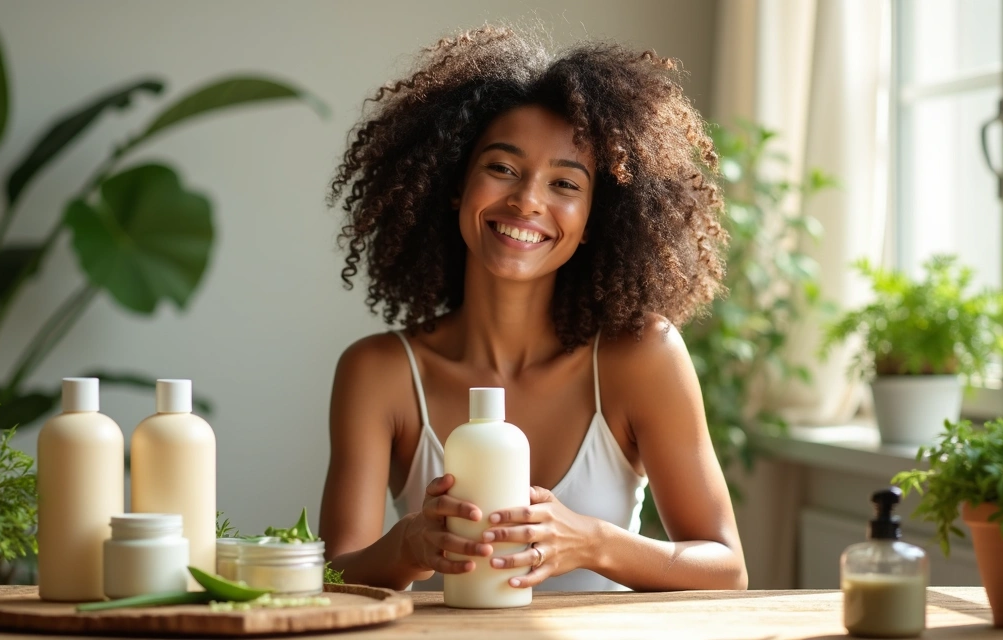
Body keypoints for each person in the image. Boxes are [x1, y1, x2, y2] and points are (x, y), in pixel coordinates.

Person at [319, 25, 746, 592]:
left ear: (594, 218)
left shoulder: (640, 356)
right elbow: (328, 576)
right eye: (501, 168)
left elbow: (727, 570)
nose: (527, 201)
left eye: (565, 184)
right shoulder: (379, 372)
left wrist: (592, 542)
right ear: (456, 184)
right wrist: (409, 546)